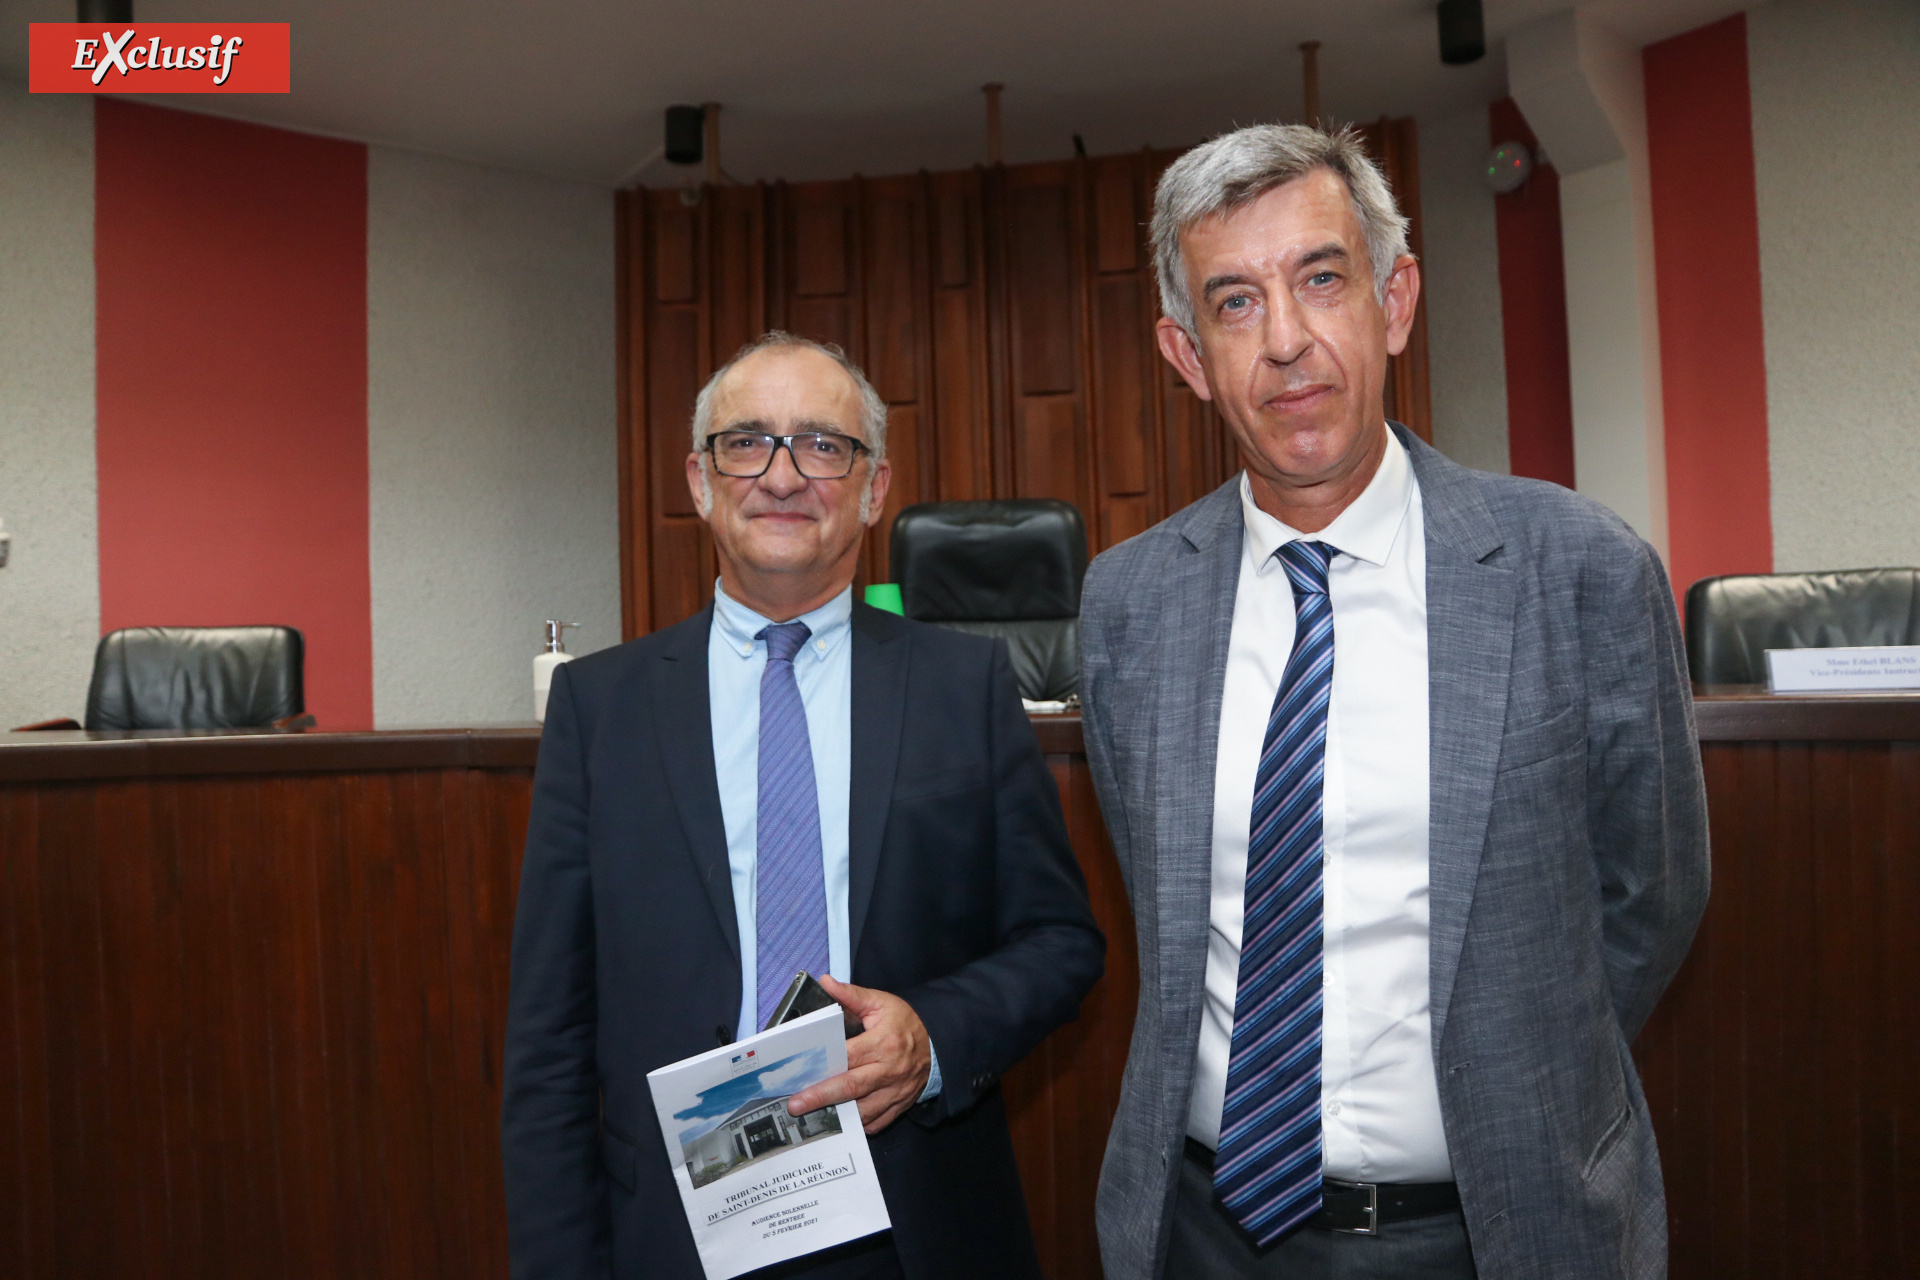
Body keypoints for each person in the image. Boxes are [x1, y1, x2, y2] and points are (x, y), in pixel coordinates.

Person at [1080, 124, 1708, 1280]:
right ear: (1187, 355)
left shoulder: (1580, 568)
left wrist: (1522, 1070)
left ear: (1395, 302)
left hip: (1495, 1230)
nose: (1285, 340)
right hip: (1201, 1234)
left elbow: (1651, 896)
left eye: (1322, 278)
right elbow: (1162, 913)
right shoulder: (1128, 605)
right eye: (1234, 302)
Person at [503, 332, 1104, 1280]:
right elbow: (550, 1034)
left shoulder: (965, 687)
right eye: (747, 443)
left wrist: (933, 1035)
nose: (782, 477)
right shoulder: (600, 708)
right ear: (700, 481)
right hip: (673, 1234)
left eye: (823, 446)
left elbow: (1061, 942)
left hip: (916, 1222)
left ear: (873, 488)